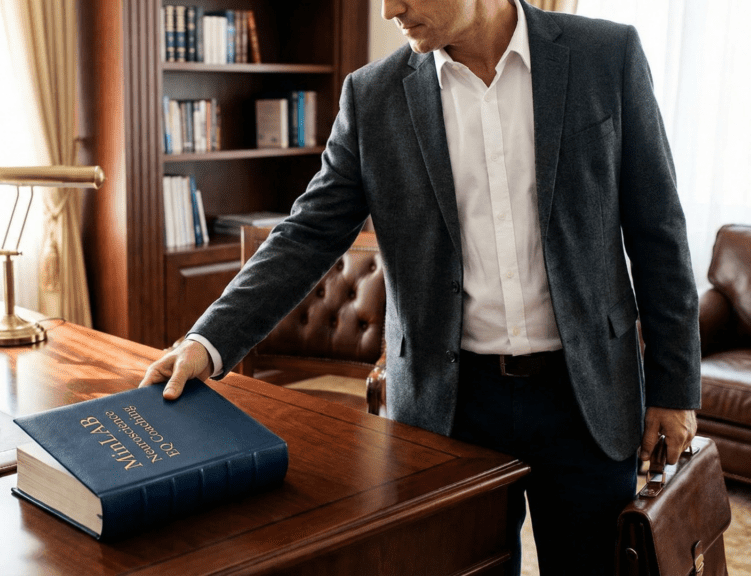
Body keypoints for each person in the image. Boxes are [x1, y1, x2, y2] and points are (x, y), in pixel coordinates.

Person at [140, 0, 700, 573]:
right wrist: (207, 341)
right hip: (447, 407)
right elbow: (306, 234)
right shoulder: (372, 95)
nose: (389, 11)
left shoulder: (606, 55)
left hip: (587, 400)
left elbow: (659, 231)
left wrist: (675, 388)